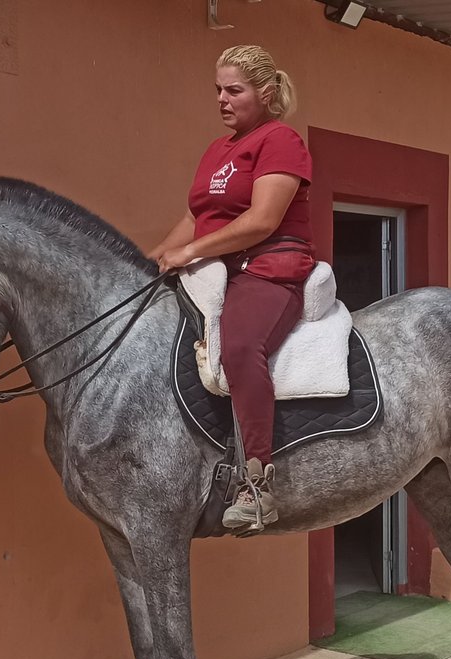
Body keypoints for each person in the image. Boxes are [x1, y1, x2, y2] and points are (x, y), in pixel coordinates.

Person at [149, 45, 314, 532]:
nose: (222, 99)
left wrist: (191, 253)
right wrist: (156, 258)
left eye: (233, 90)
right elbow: (197, 217)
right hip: (221, 266)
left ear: (264, 93)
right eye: (218, 90)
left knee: (240, 347)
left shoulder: (280, 140)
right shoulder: (216, 150)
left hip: (270, 266)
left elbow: (262, 220)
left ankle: (257, 486)